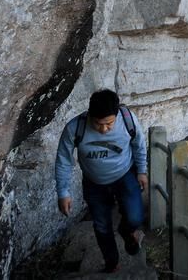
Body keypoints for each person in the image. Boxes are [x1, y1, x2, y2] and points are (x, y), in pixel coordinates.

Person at [55, 89, 148, 273]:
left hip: (125, 175)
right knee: (101, 225)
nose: (104, 129)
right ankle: (112, 262)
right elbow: (63, 161)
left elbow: (139, 145)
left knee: (135, 217)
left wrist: (142, 171)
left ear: (117, 115)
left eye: (109, 124)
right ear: (90, 115)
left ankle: (126, 231)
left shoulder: (128, 119)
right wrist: (63, 192)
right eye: (98, 124)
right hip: (94, 183)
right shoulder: (75, 128)